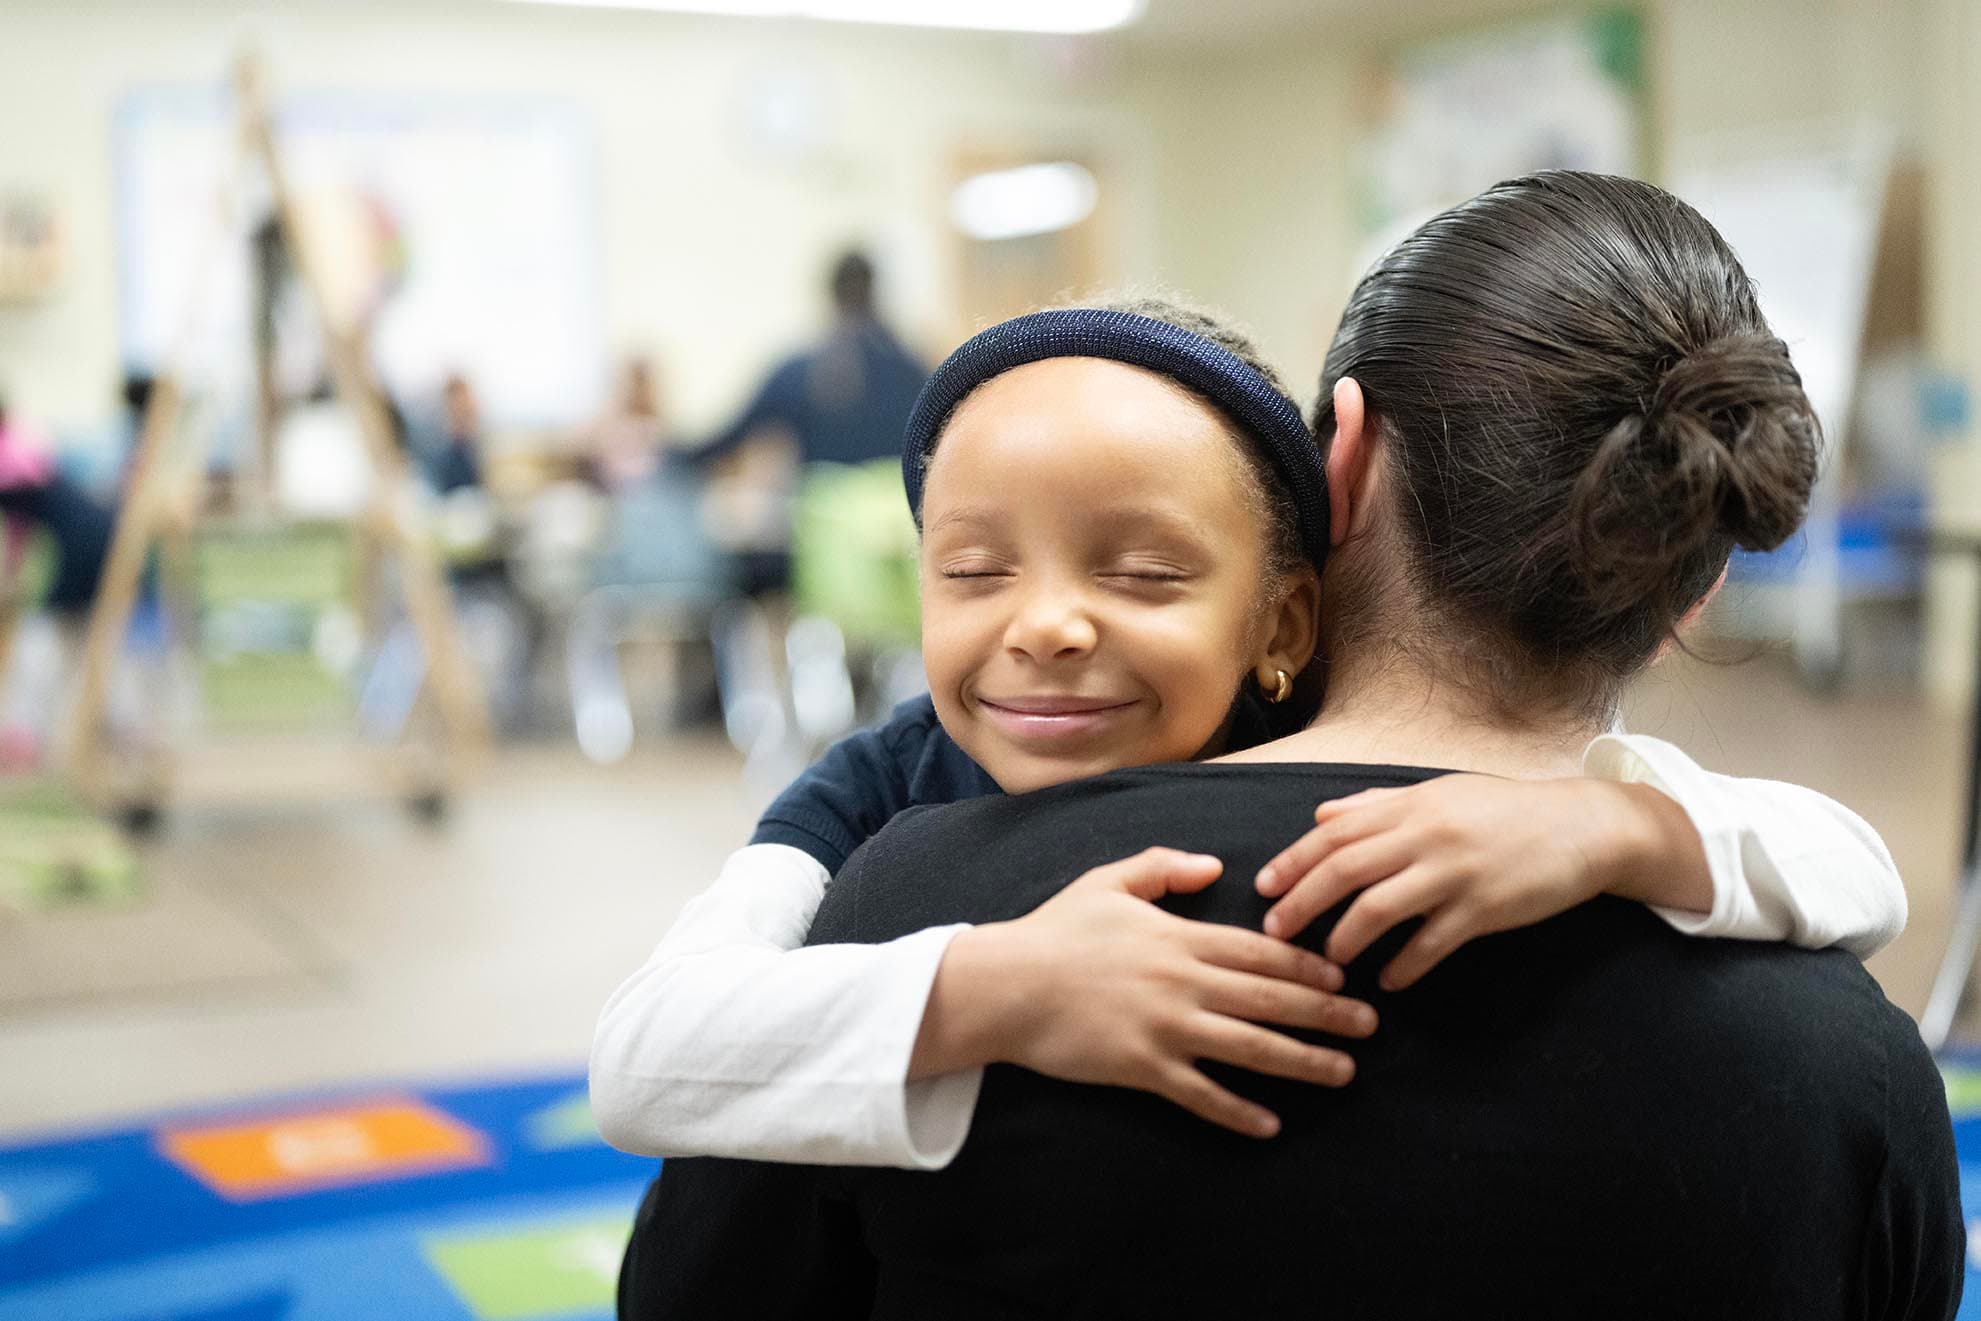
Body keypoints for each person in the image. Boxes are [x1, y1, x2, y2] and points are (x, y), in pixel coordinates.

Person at [620, 173, 1962, 1317]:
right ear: (1693, 583)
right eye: (972, 567)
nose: (1049, 629)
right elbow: (647, 1048)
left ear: (1334, 490)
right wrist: (1621, 828)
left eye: (1140, 571)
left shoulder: (895, 905)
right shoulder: (1844, 1048)